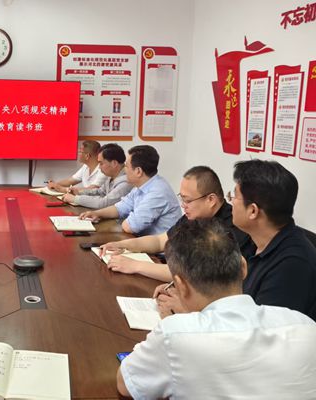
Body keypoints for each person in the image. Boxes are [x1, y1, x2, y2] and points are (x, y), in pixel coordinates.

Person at [117, 219, 316, 399]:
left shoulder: (174, 334)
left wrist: (177, 321)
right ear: (243, 267)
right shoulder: (305, 326)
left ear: (180, 285)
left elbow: (125, 384)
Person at [100, 166, 248, 282]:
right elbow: (160, 241)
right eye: (182, 198)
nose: (183, 205)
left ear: (211, 200)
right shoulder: (194, 216)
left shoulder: (230, 229)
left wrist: (135, 266)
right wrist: (123, 245)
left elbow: (194, 274)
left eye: (187, 200)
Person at [228, 159, 316, 320]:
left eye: (234, 196)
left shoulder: (292, 265)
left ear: (253, 211)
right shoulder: (252, 240)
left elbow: (265, 329)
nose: (231, 201)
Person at [80, 145, 181, 235]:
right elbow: (120, 208)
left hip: (159, 249)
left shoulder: (157, 192)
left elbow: (131, 226)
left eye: (127, 166)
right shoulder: (141, 185)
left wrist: (124, 219)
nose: (124, 169)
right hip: (142, 240)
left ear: (138, 171)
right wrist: (97, 214)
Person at [62, 143, 132, 209]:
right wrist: (79, 192)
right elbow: (100, 192)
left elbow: (104, 203)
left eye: (101, 163)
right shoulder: (111, 176)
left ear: (114, 163)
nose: (99, 167)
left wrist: (75, 199)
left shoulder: (126, 181)